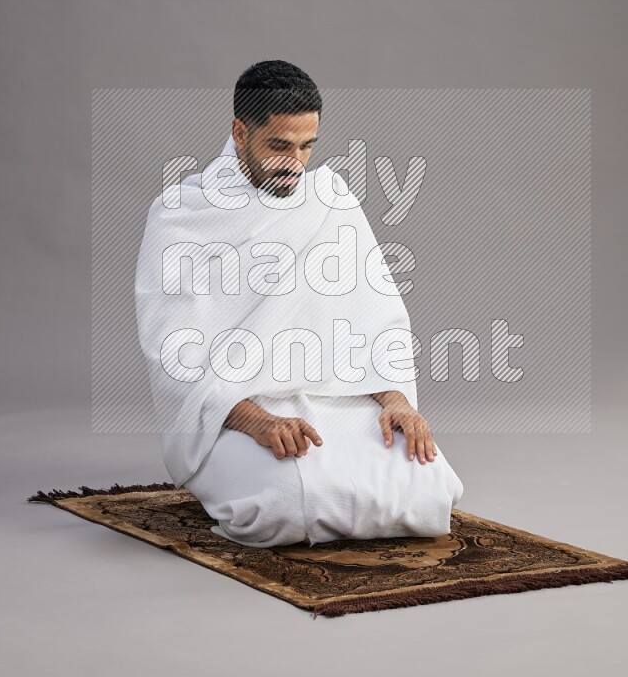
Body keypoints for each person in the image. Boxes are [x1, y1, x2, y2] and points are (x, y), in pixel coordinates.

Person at [134, 60, 464, 547]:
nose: (296, 162)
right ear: (239, 132)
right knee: (285, 504)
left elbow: (377, 317)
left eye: (308, 146)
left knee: (428, 490)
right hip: (231, 411)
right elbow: (172, 351)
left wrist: (396, 400)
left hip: (339, 397)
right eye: (279, 146)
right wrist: (257, 421)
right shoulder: (181, 215)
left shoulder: (330, 201)